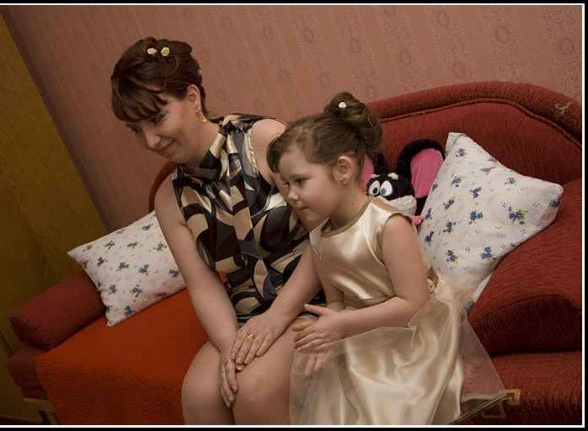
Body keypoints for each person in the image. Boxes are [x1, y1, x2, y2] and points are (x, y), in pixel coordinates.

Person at [110, 37, 325, 424]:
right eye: (135, 130)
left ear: (192, 97)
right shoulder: (168, 199)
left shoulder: (263, 140)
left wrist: (277, 318)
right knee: (198, 396)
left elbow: (325, 232)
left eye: (156, 119)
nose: (149, 141)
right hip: (246, 316)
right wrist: (230, 349)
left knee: (253, 391)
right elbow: (202, 284)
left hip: (316, 293)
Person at [266, 91, 507, 425]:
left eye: (300, 181)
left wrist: (342, 324)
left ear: (342, 169)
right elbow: (337, 302)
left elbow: (413, 303)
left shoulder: (388, 225)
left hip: (413, 334)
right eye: (286, 184)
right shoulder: (319, 237)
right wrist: (326, 331)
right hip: (360, 333)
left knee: (382, 403)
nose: (291, 195)